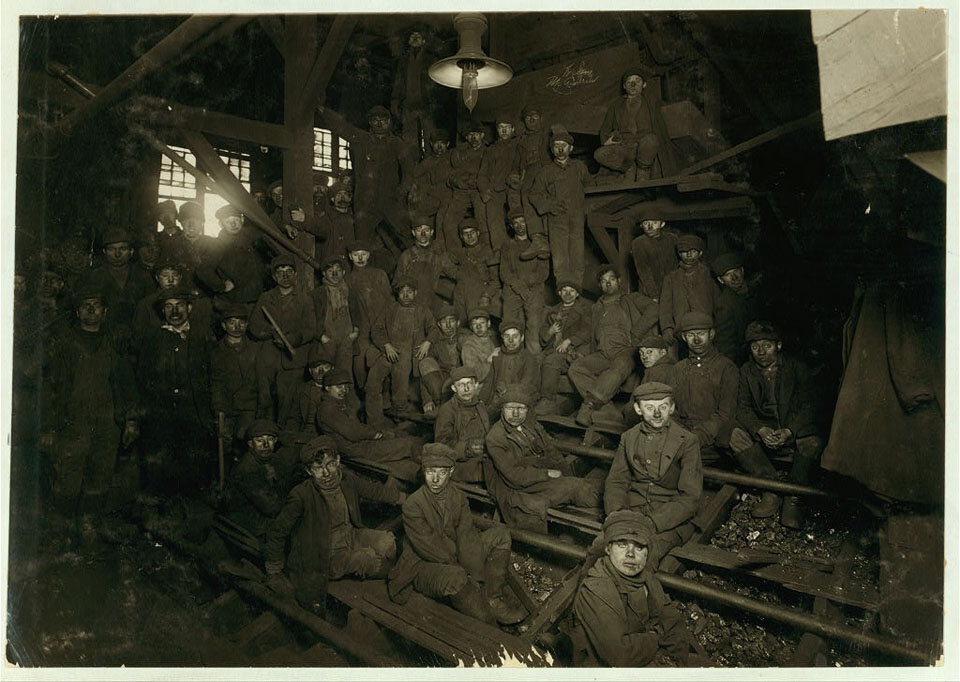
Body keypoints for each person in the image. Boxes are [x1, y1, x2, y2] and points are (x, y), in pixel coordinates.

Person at [40, 286, 139, 546]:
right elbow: (50, 389)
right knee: (68, 479)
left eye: (97, 305)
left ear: (105, 312)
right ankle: (62, 531)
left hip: (108, 425)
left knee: (100, 477)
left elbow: (126, 384)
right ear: (77, 312)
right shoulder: (65, 347)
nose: (92, 310)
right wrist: (49, 427)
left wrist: (130, 420)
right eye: (86, 305)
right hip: (73, 425)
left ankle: (88, 527)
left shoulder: (114, 346)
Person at [388, 443, 525, 626]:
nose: (435, 479)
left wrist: (475, 576)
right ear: (424, 471)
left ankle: (492, 599)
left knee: (500, 535)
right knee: (457, 578)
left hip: (454, 555)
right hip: (423, 566)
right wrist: (465, 572)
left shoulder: (458, 497)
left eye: (441, 472)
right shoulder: (413, 505)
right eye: (430, 472)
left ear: (451, 471)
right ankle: (488, 622)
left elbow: (466, 535)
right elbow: (430, 548)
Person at [264, 436, 400, 614]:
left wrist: (405, 499)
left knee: (387, 542)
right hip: (323, 555)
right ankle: (398, 581)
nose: (326, 473)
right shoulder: (301, 495)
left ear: (338, 461)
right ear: (308, 471)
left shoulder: (346, 480)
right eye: (318, 468)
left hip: (350, 535)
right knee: (365, 559)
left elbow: (374, 490)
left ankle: (398, 575)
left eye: (329, 465)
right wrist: (274, 570)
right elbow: (277, 531)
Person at [729, 321, 823, 527]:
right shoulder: (746, 371)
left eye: (767, 345)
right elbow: (742, 408)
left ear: (778, 346)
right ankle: (770, 488)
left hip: (791, 431)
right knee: (735, 436)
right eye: (755, 347)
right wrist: (760, 430)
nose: (761, 352)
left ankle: (793, 496)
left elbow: (810, 406)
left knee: (813, 441)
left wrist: (789, 431)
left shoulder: (797, 367)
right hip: (765, 433)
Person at [572, 510, 694, 667]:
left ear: (647, 553)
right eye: (622, 544)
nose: (630, 554)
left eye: (639, 547)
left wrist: (673, 663)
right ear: (608, 549)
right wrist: (657, 637)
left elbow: (674, 623)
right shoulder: (596, 589)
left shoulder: (647, 579)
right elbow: (619, 655)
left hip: (644, 657)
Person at [603, 382, 702, 558]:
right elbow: (616, 482)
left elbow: (690, 497)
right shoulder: (628, 437)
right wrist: (618, 514)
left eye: (663, 407)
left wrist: (653, 522)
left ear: (671, 408)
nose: (657, 413)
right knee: (601, 549)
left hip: (670, 520)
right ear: (638, 409)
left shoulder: (688, 441)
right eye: (650, 407)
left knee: (645, 557)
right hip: (632, 511)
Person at [485, 386, 601, 532]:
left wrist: (564, 472)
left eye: (521, 408)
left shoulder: (531, 426)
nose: (515, 413)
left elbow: (551, 450)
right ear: (502, 409)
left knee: (585, 486)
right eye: (510, 408)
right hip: (514, 486)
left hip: (534, 478)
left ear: (527, 410)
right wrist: (546, 474)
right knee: (574, 487)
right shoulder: (495, 438)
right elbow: (513, 476)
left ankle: (613, 512)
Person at [136, 284, 214, 496]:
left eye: (180, 305)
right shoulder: (153, 339)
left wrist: (216, 410)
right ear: (163, 311)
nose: (175, 311)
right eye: (169, 307)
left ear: (190, 308)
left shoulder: (202, 337)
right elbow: (143, 379)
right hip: (161, 415)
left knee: (194, 469)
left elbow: (215, 377)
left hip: (194, 414)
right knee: (161, 472)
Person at [568, 265, 658, 426]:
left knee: (619, 366)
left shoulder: (632, 299)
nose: (607, 284)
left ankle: (589, 406)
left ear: (619, 281)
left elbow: (655, 309)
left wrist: (637, 332)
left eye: (611, 279)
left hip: (627, 351)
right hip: (602, 353)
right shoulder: (596, 308)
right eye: (603, 281)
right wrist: (584, 353)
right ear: (599, 285)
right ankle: (608, 411)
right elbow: (591, 335)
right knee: (576, 368)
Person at [316, 104, 413, 249]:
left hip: (390, 200)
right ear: (370, 122)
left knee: (406, 236)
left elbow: (409, 172)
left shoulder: (397, 144)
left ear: (389, 122)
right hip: (365, 203)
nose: (379, 123)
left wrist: (400, 194)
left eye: (383, 120)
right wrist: (322, 110)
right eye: (375, 120)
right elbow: (341, 126)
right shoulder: (360, 138)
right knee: (361, 243)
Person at [249, 254, 318, 430]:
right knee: (264, 400)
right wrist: (271, 332)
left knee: (288, 405)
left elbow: (310, 329)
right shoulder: (265, 298)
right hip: (268, 358)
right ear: (274, 277)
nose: (285, 276)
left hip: (292, 360)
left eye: (289, 272)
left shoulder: (305, 299)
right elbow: (254, 326)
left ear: (295, 275)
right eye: (280, 273)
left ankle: (283, 438)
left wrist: (292, 340)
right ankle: (264, 434)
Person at [318, 369, 422, 481]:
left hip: (357, 444)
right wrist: (376, 434)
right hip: (354, 449)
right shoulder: (329, 409)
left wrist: (378, 433)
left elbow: (355, 427)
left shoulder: (336, 404)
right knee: (408, 444)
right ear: (327, 388)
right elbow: (354, 433)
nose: (343, 390)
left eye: (345, 386)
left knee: (398, 435)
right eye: (339, 387)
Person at [366, 275, 435, 424]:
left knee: (400, 390)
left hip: (408, 354)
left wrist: (427, 342)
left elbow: (434, 329)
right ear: (397, 294)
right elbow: (376, 329)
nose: (405, 295)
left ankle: (400, 419)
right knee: (372, 382)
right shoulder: (390, 308)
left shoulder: (422, 310)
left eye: (409, 291)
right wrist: (386, 345)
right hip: (387, 351)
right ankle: (374, 421)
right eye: (402, 292)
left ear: (415, 293)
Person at [593, 66, 680, 181]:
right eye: (629, 82)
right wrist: (606, 141)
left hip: (645, 146)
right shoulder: (616, 106)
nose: (633, 84)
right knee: (599, 154)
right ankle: (629, 168)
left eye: (637, 81)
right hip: (625, 146)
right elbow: (605, 128)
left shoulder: (652, 102)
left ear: (644, 85)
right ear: (624, 86)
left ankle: (643, 170)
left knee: (651, 140)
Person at [672, 312, 739, 462]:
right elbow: (670, 408)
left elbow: (725, 414)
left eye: (701, 333)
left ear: (711, 334)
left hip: (713, 441)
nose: (696, 340)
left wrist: (698, 436)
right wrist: (680, 434)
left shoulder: (726, 368)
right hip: (681, 437)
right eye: (690, 335)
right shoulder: (678, 369)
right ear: (684, 337)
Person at [528, 125, 590, 285]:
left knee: (577, 257)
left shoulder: (579, 167)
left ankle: (576, 293)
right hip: (557, 220)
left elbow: (590, 186)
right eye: (556, 146)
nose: (560, 149)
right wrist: (549, 206)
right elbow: (534, 194)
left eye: (564, 146)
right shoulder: (546, 171)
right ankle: (564, 293)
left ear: (571, 148)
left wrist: (586, 209)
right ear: (552, 149)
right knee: (560, 260)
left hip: (577, 218)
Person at [223, 419, 299, 543]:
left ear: (275, 441)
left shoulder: (266, 460)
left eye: (269, 439)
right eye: (259, 440)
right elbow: (272, 507)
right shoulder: (246, 469)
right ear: (250, 444)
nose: (266, 445)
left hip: (256, 514)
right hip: (247, 521)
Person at [210, 303, 263, 457]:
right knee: (223, 449)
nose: (237, 327)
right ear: (224, 325)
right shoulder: (216, 351)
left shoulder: (256, 349)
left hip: (249, 407)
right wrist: (218, 409)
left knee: (246, 448)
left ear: (247, 324)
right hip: (225, 408)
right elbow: (215, 382)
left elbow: (262, 382)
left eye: (241, 322)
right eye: (232, 322)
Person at [84, 228, 156, 339]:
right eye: (112, 249)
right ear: (105, 252)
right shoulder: (94, 277)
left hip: (139, 336)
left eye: (122, 249)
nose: (117, 254)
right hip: (103, 336)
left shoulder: (143, 276)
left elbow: (152, 309)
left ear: (131, 252)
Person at [535, 280, 593, 416]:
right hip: (553, 348)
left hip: (575, 350)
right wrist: (550, 331)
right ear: (560, 293)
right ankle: (534, 396)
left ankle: (548, 401)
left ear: (577, 294)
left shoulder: (585, 310)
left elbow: (588, 331)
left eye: (571, 291)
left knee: (551, 361)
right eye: (564, 291)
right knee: (535, 360)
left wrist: (569, 340)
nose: (568, 294)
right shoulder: (553, 311)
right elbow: (543, 339)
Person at [499, 207, 550, 354]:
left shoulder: (539, 244)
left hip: (534, 290)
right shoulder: (508, 245)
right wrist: (519, 287)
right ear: (511, 226)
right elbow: (504, 272)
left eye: (523, 222)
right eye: (516, 223)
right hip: (512, 290)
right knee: (510, 326)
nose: (520, 226)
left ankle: (534, 363)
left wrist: (528, 284)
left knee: (534, 327)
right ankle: (511, 360)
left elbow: (544, 271)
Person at [195, 205, 266, 308]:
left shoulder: (250, 236)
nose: (233, 224)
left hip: (257, 298)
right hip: (234, 302)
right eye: (228, 221)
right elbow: (202, 270)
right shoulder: (219, 245)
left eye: (236, 220)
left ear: (242, 220)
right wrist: (221, 286)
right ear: (221, 224)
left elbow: (268, 231)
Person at [345, 240, 392, 389]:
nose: (360, 258)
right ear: (350, 256)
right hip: (361, 330)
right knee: (360, 366)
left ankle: (383, 398)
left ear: (369, 255)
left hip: (381, 326)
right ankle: (365, 399)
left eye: (363, 254)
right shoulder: (347, 280)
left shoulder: (379, 275)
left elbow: (390, 301)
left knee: (384, 362)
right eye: (356, 255)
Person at [434, 366, 492, 483]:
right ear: (454, 388)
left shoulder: (480, 406)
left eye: (470, 383)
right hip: (461, 464)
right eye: (461, 385)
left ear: (476, 385)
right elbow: (442, 445)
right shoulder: (447, 410)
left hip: (482, 458)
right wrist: (467, 448)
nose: (466, 389)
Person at [659, 234, 716, 346]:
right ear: (679, 254)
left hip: (705, 330)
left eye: (693, 251)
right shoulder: (671, 278)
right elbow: (665, 307)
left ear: (700, 253)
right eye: (684, 251)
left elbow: (718, 304)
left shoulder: (708, 275)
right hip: (681, 332)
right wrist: (667, 328)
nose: (689, 255)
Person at [394, 216, 457, 315]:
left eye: (426, 230)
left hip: (431, 305)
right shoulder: (407, 256)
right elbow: (396, 283)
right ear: (413, 233)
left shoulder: (438, 256)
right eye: (419, 230)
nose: (423, 234)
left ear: (431, 232)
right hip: (410, 305)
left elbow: (456, 274)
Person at [442, 121, 488, 254]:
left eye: (477, 134)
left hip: (479, 192)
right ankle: (457, 255)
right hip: (461, 193)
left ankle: (483, 254)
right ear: (466, 137)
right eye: (470, 135)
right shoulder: (458, 153)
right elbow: (450, 176)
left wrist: (480, 183)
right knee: (448, 223)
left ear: (482, 135)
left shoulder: (489, 152)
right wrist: (457, 182)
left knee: (483, 222)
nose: (474, 138)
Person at [478, 114, 523, 250]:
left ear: (513, 129)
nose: (504, 130)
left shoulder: (519, 145)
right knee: (493, 218)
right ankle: (500, 250)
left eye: (507, 127)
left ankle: (522, 245)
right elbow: (482, 174)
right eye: (501, 127)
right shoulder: (490, 150)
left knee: (519, 215)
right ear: (496, 130)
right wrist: (484, 190)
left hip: (514, 187)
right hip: (495, 189)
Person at [480, 319, 541, 414]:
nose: (511, 340)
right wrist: (481, 401)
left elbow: (526, 385)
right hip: (496, 400)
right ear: (502, 338)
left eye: (515, 336)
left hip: (518, 401)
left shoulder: (529, 359)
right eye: (507, 336)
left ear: (522, 338)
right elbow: (489, 382)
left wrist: (506, 395)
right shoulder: (497, 357)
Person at [711, 252, 761, 366]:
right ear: (720, 280)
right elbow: (726, 344)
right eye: (728, 275)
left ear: (742, 271)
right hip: (745, 360)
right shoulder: (724, 304)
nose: (734, 277)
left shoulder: (758, 291)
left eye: (736, 271)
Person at [313, 255, 359, 375]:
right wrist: (322, 337)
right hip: (327, 341)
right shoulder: (318, 293)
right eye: (330, 271)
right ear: (324, 273)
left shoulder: (349, 291)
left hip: (346, 340)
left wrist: (354, 333)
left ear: (343, 272)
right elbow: (312, 318)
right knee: (326, 375)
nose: (334, 274)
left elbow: (357, 313)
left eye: (338, 270)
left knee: (345, 374)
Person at [452, 217, 500, 323]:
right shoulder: (460, 253)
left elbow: (496, 280)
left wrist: (486, 295)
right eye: (465, 234)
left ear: (478, 233)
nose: (469, 236)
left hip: (479, 294)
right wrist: (457, 274)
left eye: (472, 232)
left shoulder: (487, 251)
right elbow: (445, 263)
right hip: (460, 294)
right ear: (461, 237)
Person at [622, 335, 677, 427]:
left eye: (649, 352)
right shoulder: (673, 367)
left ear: (663, 352)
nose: (644, 357)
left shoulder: (655, 372)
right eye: (641, 353)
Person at [418, 304, 463, 415]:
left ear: (458, 323)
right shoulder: (436, 344)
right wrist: (427, 400)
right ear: (439, 325)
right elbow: (425, 376)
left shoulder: (466, 339)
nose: (448, 325)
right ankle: (442, 406)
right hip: (443, 387)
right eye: (444, 322)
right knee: (425, 363)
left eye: (451, 321)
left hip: (464, 381)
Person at [408, 128, 454, 236]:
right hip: (433, 196)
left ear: (447, 144)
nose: (439, 147)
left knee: (444, 218)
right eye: (436, 143)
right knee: (416, 210)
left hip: (450, 196)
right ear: (431, 144)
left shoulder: (452, 159)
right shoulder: (427, 162)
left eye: (442, 143)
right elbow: (414, 177)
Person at [630, 218, 678, 302]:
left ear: (662, 224)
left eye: (655, 223)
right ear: (641, 225)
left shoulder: (672, 239)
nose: (650, 227)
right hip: (649, 292)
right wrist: (654, 295)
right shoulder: (638, 243)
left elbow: (677, 264)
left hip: (672, 289)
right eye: (646, 223)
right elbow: (643, 271)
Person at [460, 308, 499, 382]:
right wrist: (489, 360)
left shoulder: (493, 339)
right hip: (482, 386)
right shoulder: (468, 347)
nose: (478, 327)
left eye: (482, 322)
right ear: (471, 327)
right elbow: (475, 376)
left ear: (488, 324)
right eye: (475, 324)